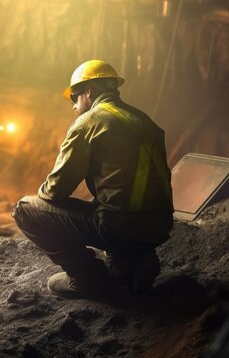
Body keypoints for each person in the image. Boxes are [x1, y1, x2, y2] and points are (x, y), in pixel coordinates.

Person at [12, 60, 174, 299]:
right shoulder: (143, 120)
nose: (74, 107)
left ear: (89, 91)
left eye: (74, 98)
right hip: (159, 226)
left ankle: (88, 279)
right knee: (108, 206)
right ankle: (134, 261)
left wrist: (44, 196)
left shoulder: (89, 122)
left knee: (25, 209)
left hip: (120, 227)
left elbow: (55, 190)